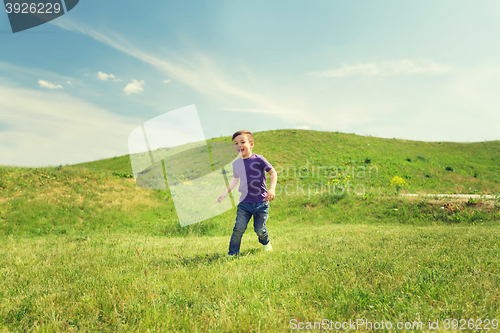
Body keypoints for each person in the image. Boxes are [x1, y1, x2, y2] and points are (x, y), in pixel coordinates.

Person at [217, 130, 278, 256]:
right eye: (235, 143)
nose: (239, 145)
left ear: (251, 144)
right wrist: (224, 193)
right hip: (244, 203)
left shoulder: (259, 159)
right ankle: (232, 253)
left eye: (242, 142)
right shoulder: (236, 163)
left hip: (261, 202)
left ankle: (266, 243)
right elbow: (235, 179)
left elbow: (273, 173)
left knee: (259, 229)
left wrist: (271, 189)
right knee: (238, 228)